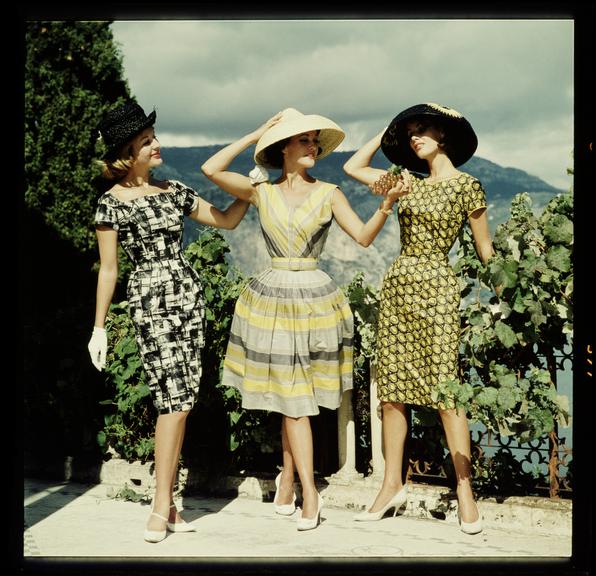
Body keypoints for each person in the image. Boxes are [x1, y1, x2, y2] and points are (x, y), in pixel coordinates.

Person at [200, 108, 407, 531]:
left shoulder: (330, 192)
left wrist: (385, 205)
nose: (313, 147)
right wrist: (259, 131)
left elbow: (365, 238)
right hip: (269, 300)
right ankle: (303, 488)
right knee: (289, 398)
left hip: (316, 300)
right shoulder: (260, 191)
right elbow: (211, 168)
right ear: (283, 149)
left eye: (315, 140)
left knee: (296, 399)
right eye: (304, 140)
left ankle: (293, 482)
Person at [86, 101, 250, 543]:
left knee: (183, 400)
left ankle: (169, 503)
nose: (156, 145)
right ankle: (161, 505)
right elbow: (109, 270)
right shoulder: (109, 204)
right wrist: (99, 327)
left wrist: (250, 191)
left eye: (153, 137)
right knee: (172, 401)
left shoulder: (174, 190)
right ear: (128, 152)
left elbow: (226, 222)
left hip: (186, 296)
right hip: (150, 299)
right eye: (147, 141)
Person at [343, 102, 495, 534]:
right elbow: (355, 166)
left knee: (447, 393)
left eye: (423, 128)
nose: (415, 136)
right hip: (399, 285)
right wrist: (387, 131)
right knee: (391, 393)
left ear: (445, 135)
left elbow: (486, 251)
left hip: (439, 288)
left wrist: (506, 295)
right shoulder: (405, 182)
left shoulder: (468, 185)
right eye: (409, 132)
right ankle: (391, 485)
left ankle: (465, 490)